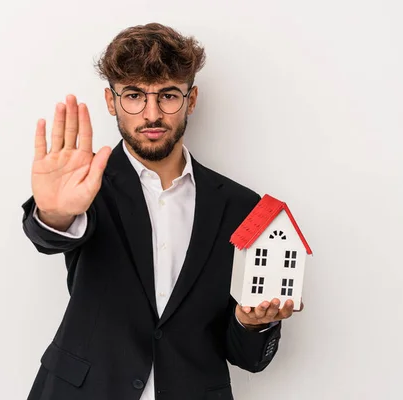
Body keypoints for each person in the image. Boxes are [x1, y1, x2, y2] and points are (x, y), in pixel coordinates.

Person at [22, 22, 297, 400]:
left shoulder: (241, 207)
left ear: (192, 98)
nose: (151, 114)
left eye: (168, 96)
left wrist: (252, 325)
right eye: (134, 95)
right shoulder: (85, 187)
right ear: (110, 101)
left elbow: (247, 358)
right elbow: (53, 233)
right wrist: (52, 214)